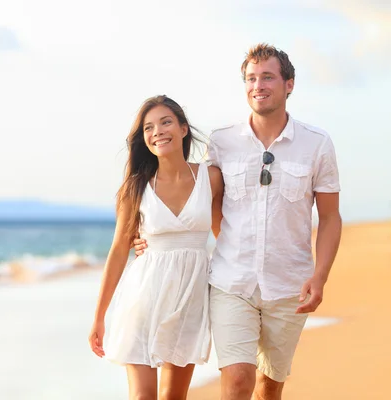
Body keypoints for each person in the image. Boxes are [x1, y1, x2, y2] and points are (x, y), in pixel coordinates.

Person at [133, 43, 343, 400]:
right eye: (250, 78)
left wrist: (319, 277)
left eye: (267, 77)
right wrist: (147, 233)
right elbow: (197, 196)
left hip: (290, 285)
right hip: (231, 283)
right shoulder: (222, 141)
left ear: (288, 84)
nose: (257, 85)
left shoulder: (317, 144)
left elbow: (329, 217)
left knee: (269, 388)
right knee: (239, 381)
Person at [88, 95, 224, 399]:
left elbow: (224, 235)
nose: (158, 131)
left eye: (166, 122)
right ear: (144, 139)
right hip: (144, 295)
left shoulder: (210, 178)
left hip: (189, 299)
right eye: (149, 127)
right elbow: (119, 251)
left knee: (174, 397)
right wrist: (99, 316)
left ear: (184, 129)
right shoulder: (135, 187)